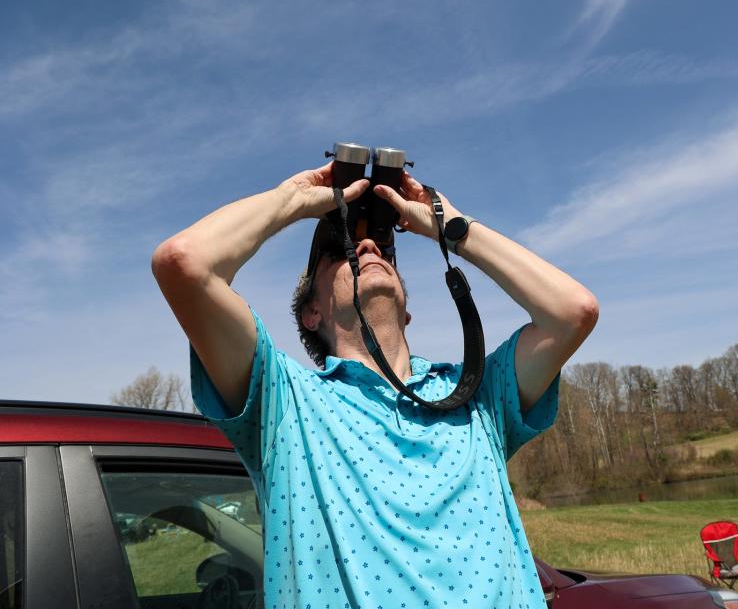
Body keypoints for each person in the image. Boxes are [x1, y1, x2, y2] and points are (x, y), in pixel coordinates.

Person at [152, 161, 599, 609]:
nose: (368, 245)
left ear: (406, 310)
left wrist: (453, 228)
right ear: (311, 313)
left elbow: (572, 310)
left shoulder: (476, 397)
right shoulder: (284, 403)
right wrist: (291, 200)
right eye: (339, 250)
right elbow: (184, 263)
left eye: (386, 252)